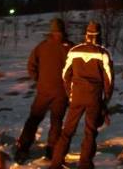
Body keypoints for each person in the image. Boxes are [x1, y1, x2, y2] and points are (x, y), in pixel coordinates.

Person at [49, 21, 114, 169]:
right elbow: (109, 80)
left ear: (86, 35)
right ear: (99, 36)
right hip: (94, 98)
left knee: (67, 131)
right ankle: (85, 164)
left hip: (77, 96)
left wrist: (70, 93)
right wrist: (105, 101)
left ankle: (56, 163)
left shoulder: (74, 51)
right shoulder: (103, 53)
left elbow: (65, 75)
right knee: (90, 132)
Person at [15, 18, 73, 163]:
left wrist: (39, 79)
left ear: (51, 31)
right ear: (63, 30)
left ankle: (23, 148)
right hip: (61, 92)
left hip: (44, 90)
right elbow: (77, 70)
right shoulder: (71, 48)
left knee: (34, 119)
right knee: (56, 122)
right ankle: (52, 151)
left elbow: (31, 66)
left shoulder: (42, 46)